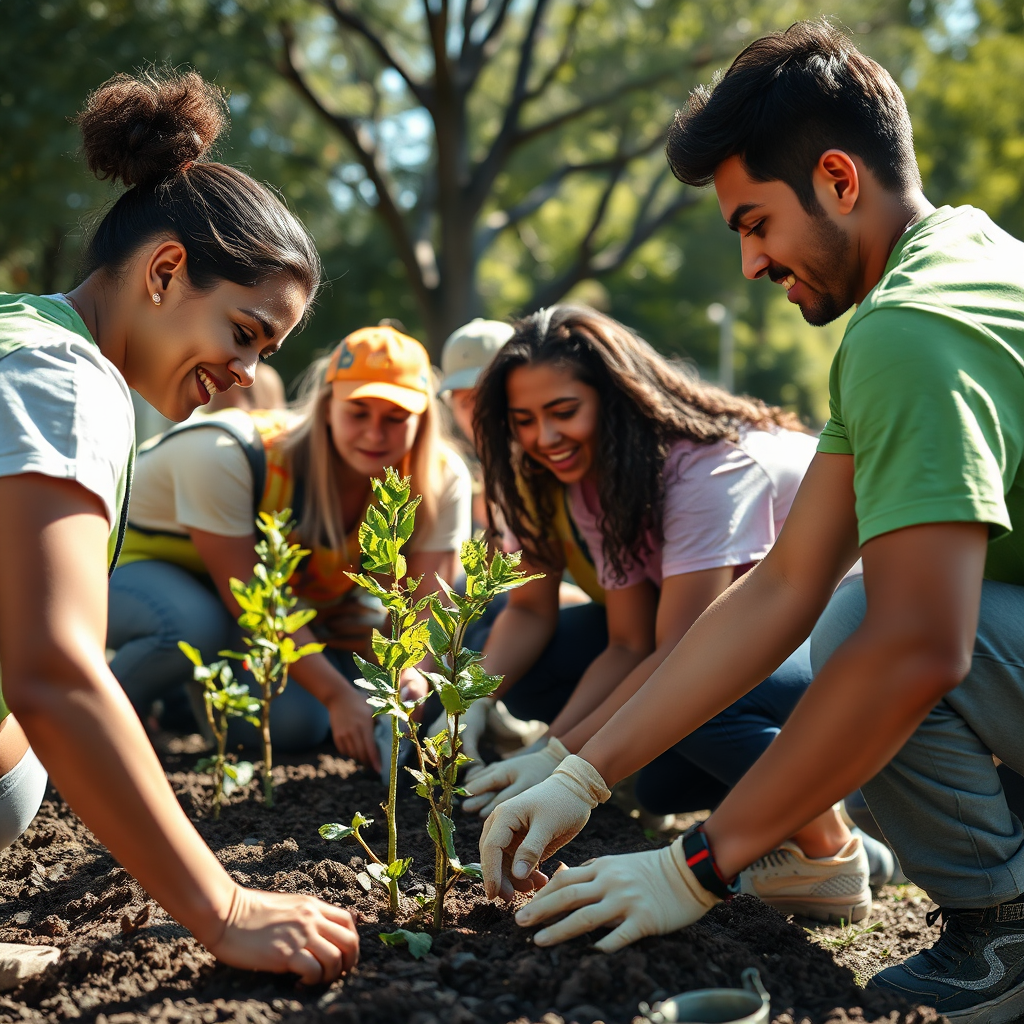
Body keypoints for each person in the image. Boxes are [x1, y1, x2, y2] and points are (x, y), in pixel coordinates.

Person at [478, 22, 1024, 1023]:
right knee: (841, 613)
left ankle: (1008, 928)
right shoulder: (954, 266)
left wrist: (698, 864)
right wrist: (580, 772)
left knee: (865, 627)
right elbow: (780, 583)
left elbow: (916, 646)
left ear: (837, 179)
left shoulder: (912, 329)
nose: (747, 263)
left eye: (754, 222)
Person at [0, 70, 357, 980]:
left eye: (267, 354)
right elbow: (52, 670)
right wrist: (224, 905)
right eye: (244, 332)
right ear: (165, 271)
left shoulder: (21, 328)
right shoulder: (65, 383)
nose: (246, 372)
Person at [463, 304, 894, 916]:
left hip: (860, 644)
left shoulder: (708, 470)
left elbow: (684, 650)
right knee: (662, 784)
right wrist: (553, 751)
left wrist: (570, 769)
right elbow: (629, 644)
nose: (544, 438)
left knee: (716, 687)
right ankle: (809, 805)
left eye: (563, 412)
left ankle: (831, 853)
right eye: (524, 421)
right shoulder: (593, 475)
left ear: (617, 401)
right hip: (772, 642)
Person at [108, 325, 472, 769]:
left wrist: (413, 672)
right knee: (189, 624)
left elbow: (430, 602)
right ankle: (88, 727)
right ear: (327, 407)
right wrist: (338, 695)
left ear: (424, 420)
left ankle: (185, 701)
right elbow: (254, 600)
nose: (375, 433)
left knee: (297, 726)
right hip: (121, 568)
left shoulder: (442, 476)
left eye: (395, 418)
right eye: (358, 412)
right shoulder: (230, 453)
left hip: (235, 589)